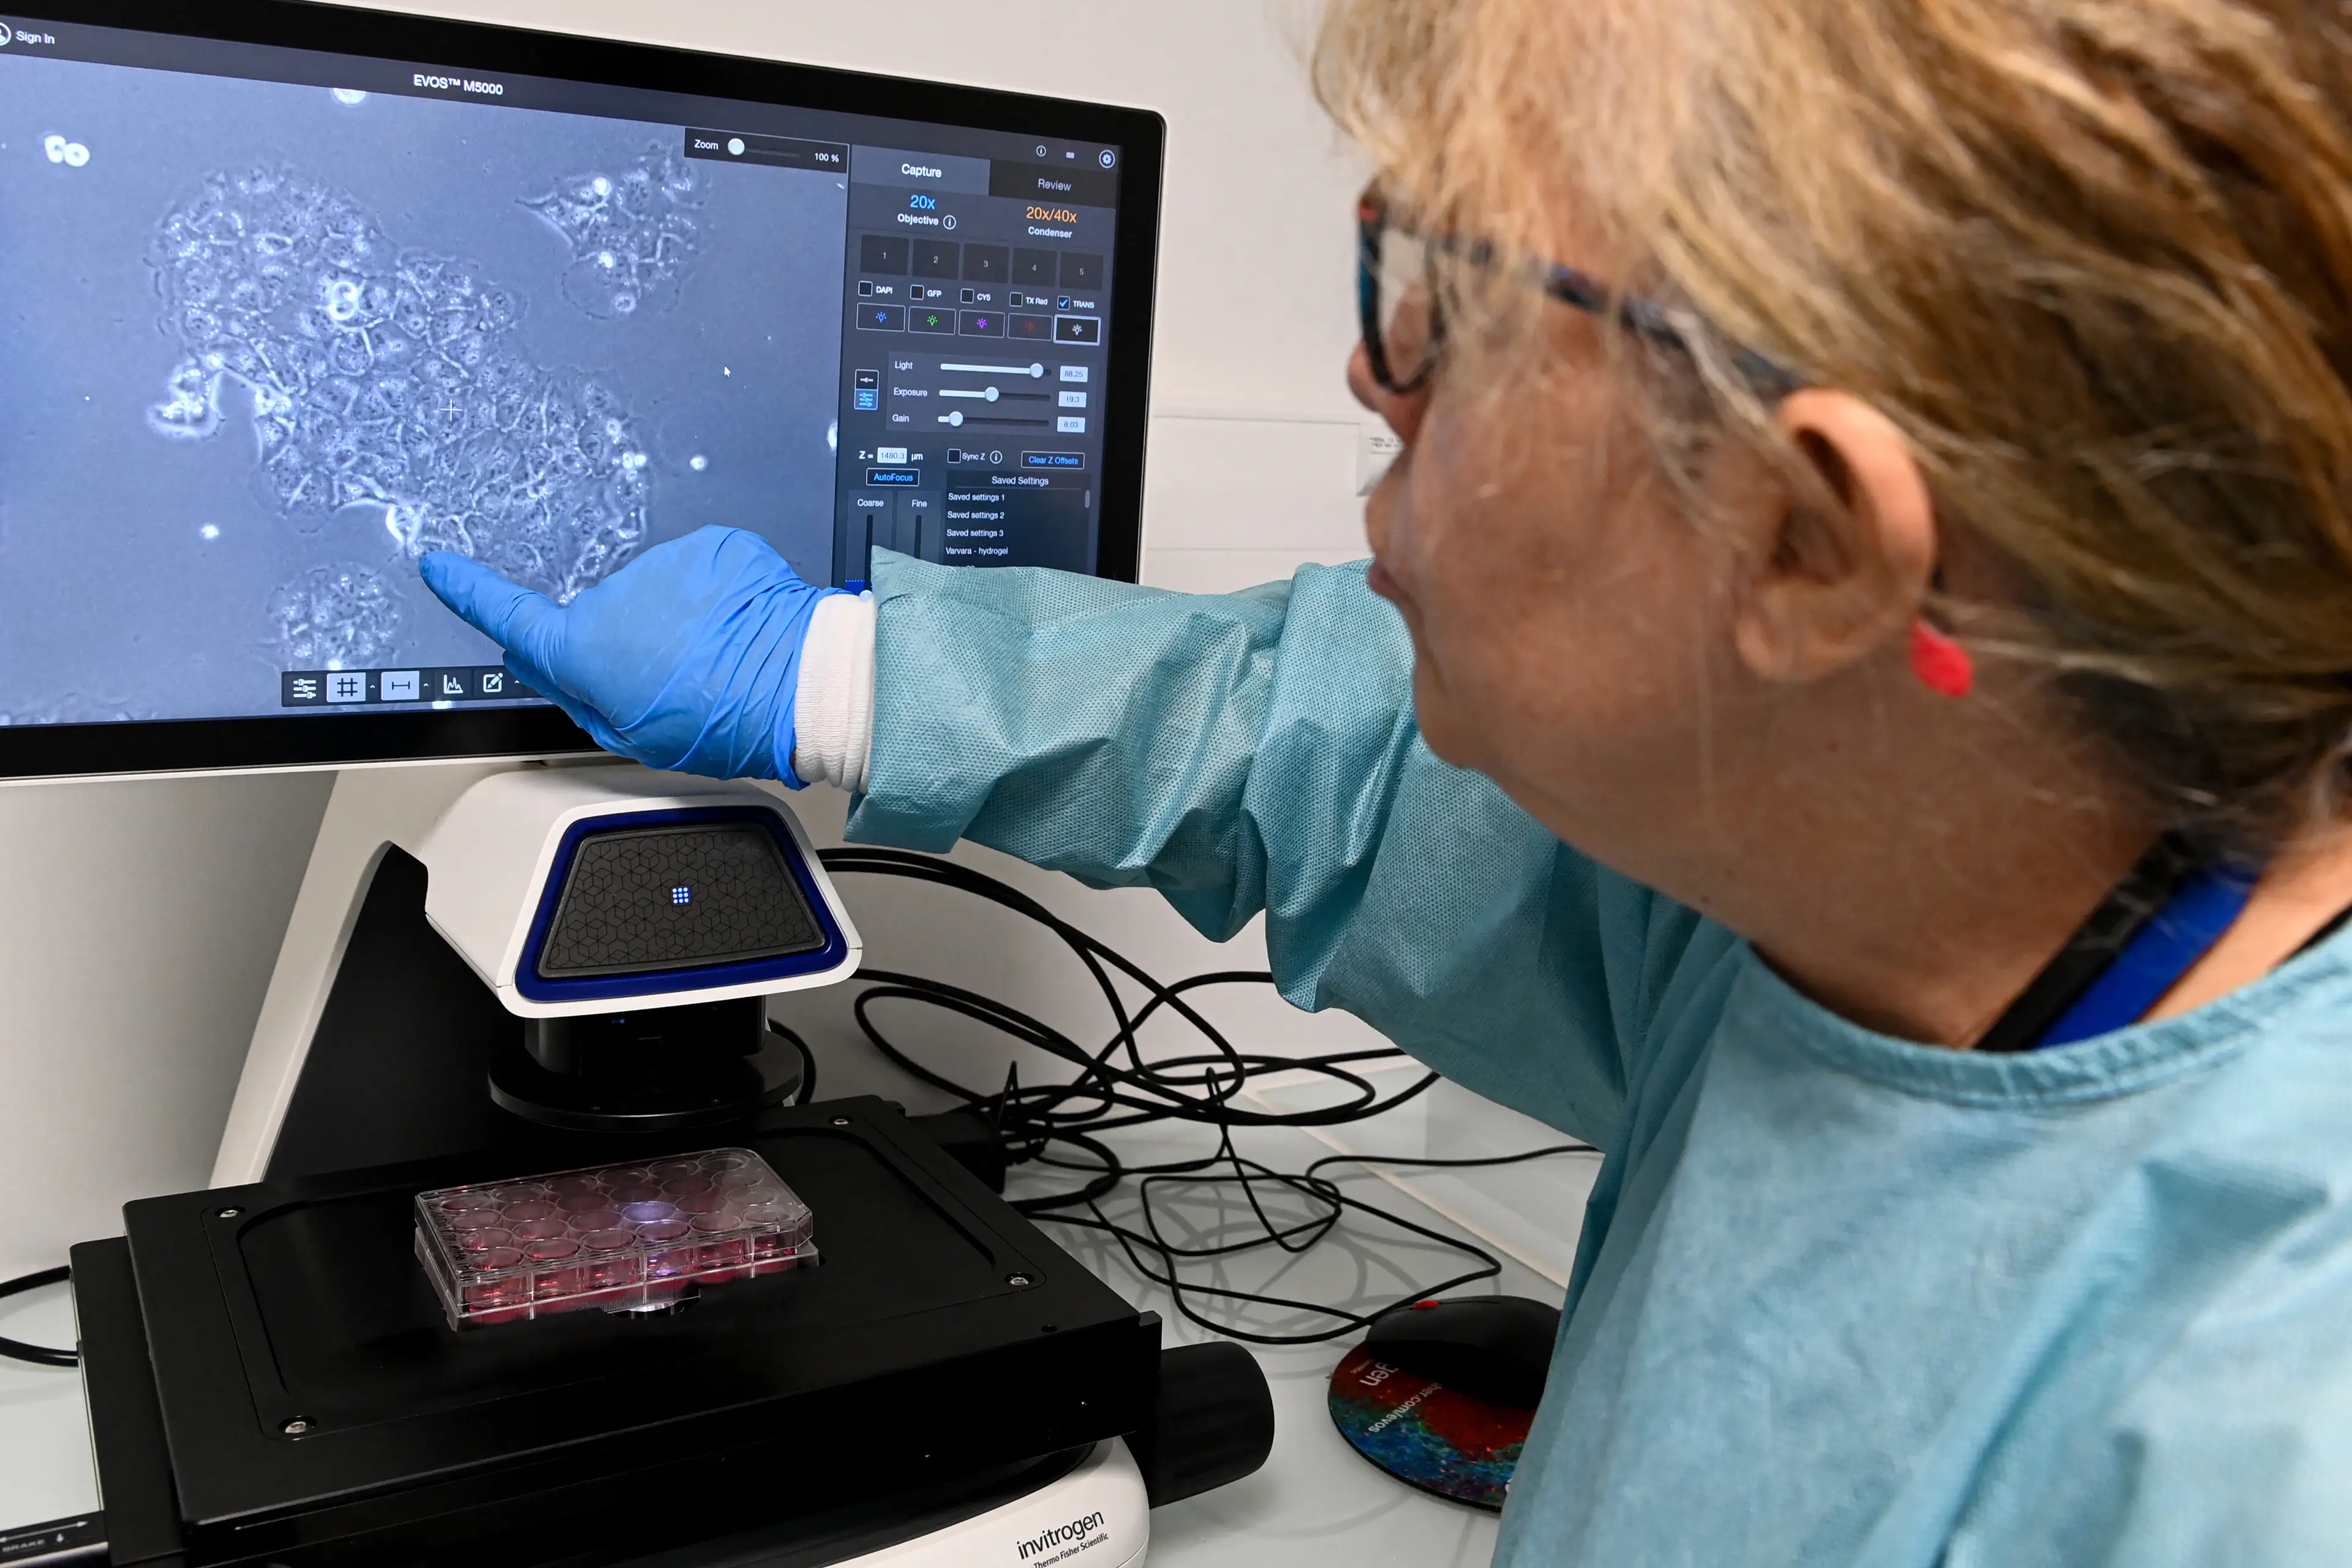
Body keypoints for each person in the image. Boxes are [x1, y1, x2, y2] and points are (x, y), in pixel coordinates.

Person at [423, 0, 2352, 1557]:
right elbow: (1310, 739)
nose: (1378, 372)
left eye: (1465, 300)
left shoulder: (2261, 1433)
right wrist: (825, 673)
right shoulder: (1903, 864)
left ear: (1816, 546)